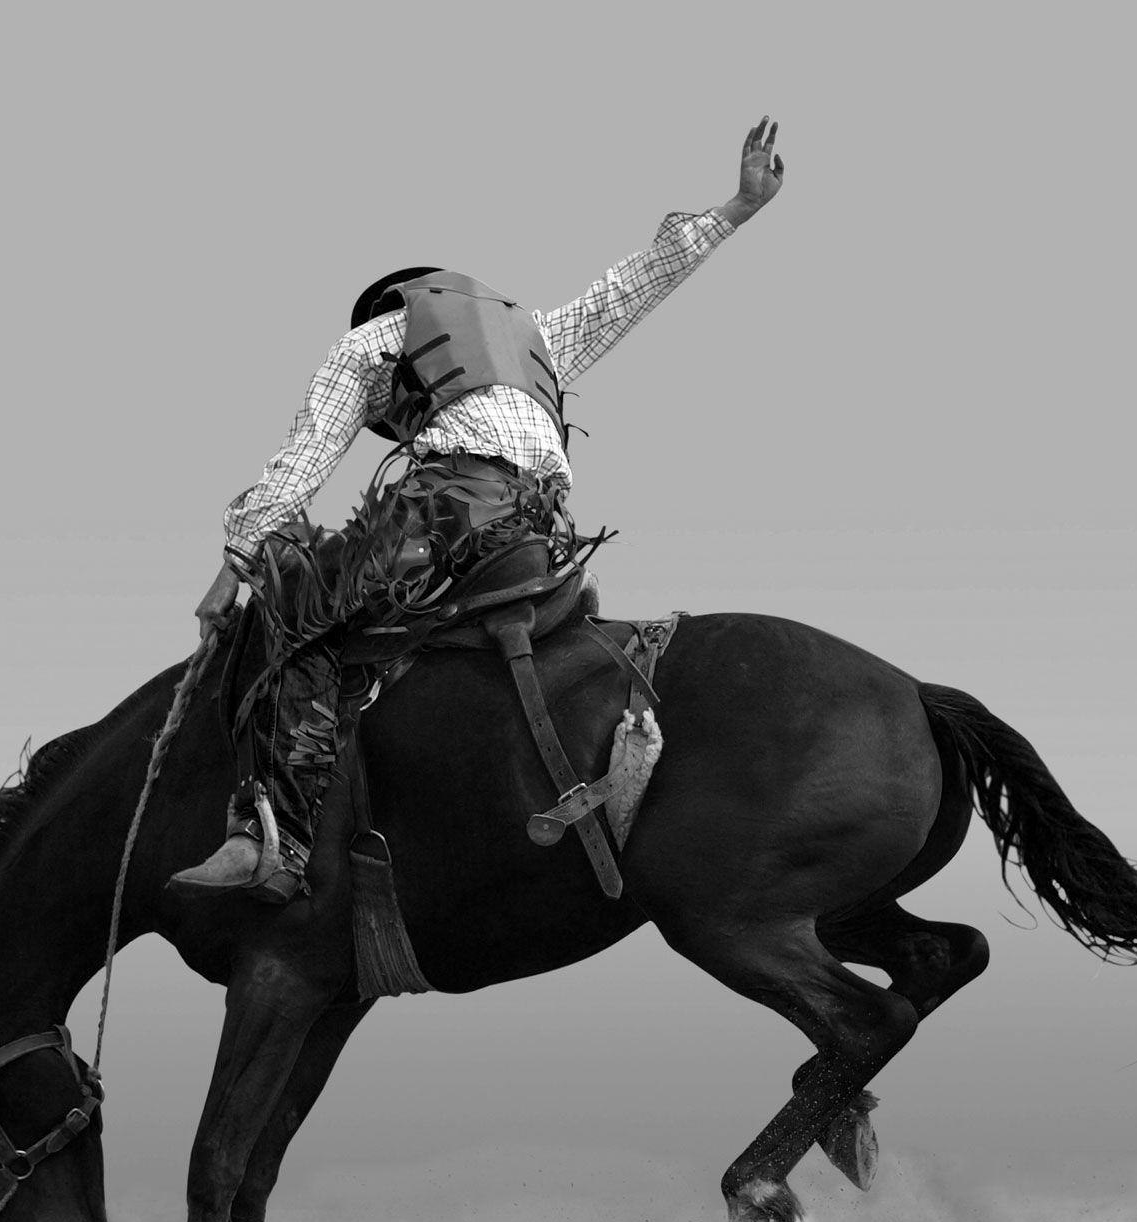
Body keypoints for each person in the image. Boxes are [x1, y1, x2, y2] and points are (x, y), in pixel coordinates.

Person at [172, 117, 785, 901]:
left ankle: (274, 841)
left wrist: (236, 565)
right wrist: (736, 207)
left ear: (386, 310)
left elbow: (304, 460)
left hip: (446, 515)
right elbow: (630, 289)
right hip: (538, 527)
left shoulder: (367, 346)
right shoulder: (535, 335)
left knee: (296, 597)